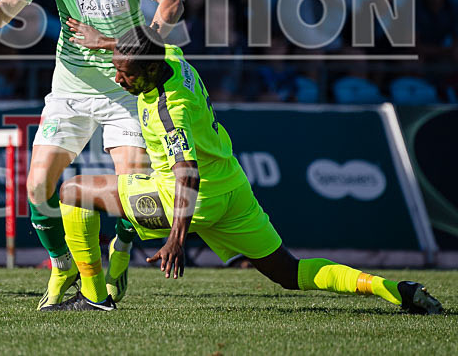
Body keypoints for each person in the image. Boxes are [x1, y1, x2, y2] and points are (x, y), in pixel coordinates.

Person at [48, 24, 443, 313]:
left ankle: (95, 298)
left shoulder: (170, 109)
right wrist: (106, 43)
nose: (119, 78)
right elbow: (144, 47)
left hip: (186, 199)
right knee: (290, 273)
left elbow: (187, 173)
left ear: (149, 72)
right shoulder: (169, 56)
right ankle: (393, 289)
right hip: (233, 191)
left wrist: (176, 237)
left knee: (73, 193)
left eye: (126, 74)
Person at [0, 0, 183, 309]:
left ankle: (120, 253)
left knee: (134, 190)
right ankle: (61, 264)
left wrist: (143, 44)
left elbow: (170, 2)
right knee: (37, 186)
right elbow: (13, 1)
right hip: (71, 87)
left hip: (125, 87)